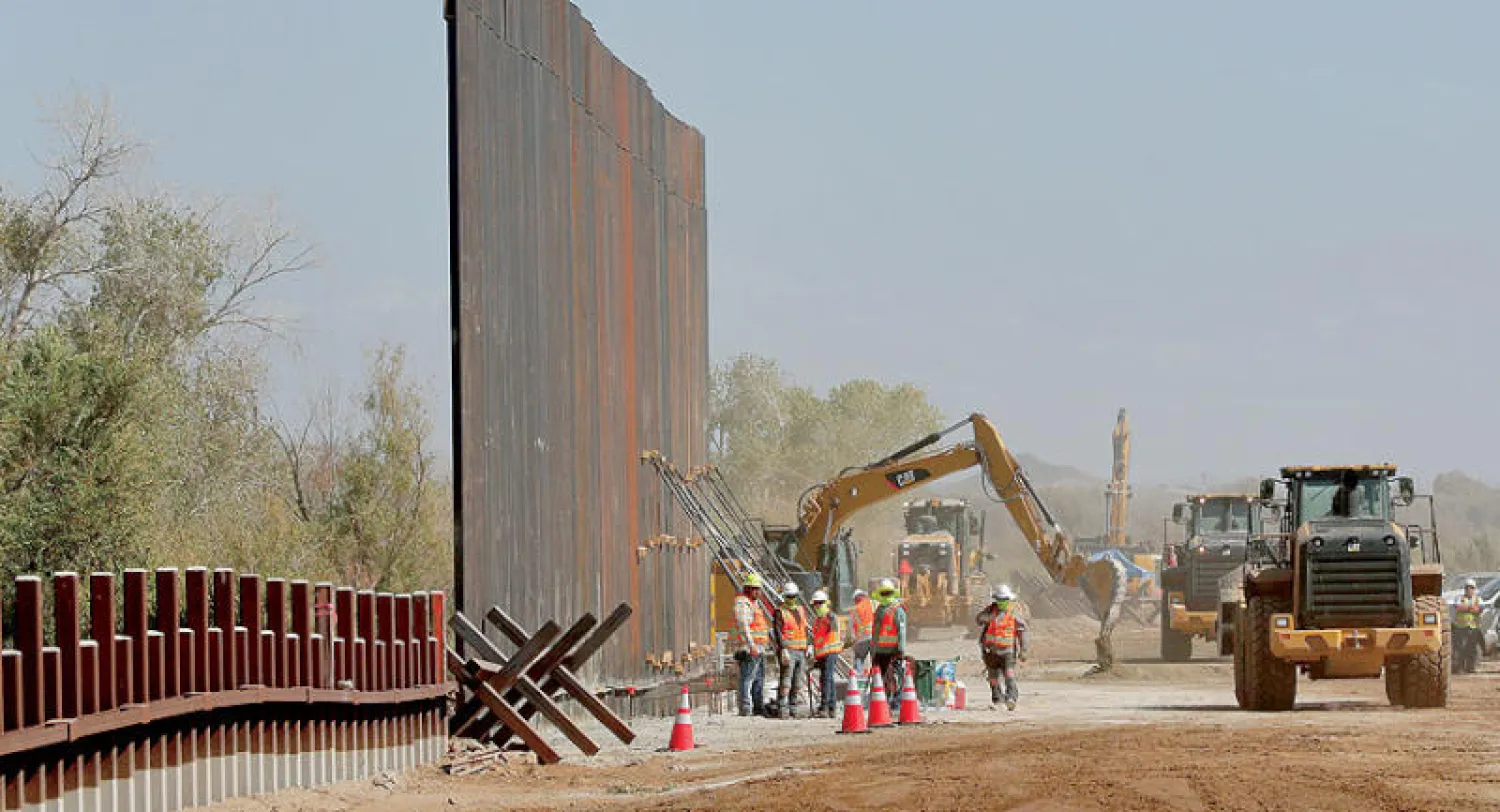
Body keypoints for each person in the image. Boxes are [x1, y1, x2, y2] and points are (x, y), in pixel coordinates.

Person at [975, 584, 1027, 711]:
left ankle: (1011, 698)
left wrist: (1023, 650)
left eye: (1004, 600)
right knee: (993, 678)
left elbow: (1022, 631)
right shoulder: (990, 610)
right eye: (1000, 600)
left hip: (1007, 651)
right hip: (990, 652)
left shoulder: (1014, 612)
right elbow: (978, 619)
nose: (1002, 602)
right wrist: (988, 619)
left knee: (1009, 674)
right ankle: (998, 699)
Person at [731, 573, 771, 716]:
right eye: (756, 589)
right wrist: (751, 644)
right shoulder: (743, 603)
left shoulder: (753, 604)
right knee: (747, 679)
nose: (759, 592)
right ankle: (746, 708)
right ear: (750, 589)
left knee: (758, 679)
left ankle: (757, 707)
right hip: (749, 648)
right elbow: (744, 626)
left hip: (758, 648)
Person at [773, 581, 811, 718]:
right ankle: (783, 707)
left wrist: (809, 645)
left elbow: (804, 628)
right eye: (789, 596)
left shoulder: (800, 610)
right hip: (788, 651)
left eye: (793, 596)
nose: (791, 599)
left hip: (801, 650)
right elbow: (777, 632)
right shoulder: (780, 612)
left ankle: (793, 708)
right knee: (786, 681)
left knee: (797, 682)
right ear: (784, 596)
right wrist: (783, 649)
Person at [870, 578, 908, 695]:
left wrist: (901, 649)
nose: (886, 595)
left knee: (889, 677)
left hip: (891, 651)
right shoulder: (879, 610)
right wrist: (873, 650)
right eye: (884, 593)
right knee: (880, 678)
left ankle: (892, 700)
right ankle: (883, 699)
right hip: (880, 651)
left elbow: (901, 631)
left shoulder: (897, 610)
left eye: (887, 593)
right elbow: (876, 633)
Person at [809, 589, 843, 718]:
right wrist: (814, 652)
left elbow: (831, 632)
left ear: (825, 603)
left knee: (826, 679)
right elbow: (817, 638)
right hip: (822, 654)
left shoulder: (831, 617)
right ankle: (832, 708)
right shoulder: (817, 620)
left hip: (830, 652)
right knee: (828, 679)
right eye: (815, 604)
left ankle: (824, 707)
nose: (817, 606)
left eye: (819, 603)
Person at [1454, 578, 1483, 674]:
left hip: (1473, 627)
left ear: (1474, 589)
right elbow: (1458, 608)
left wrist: (1467, 608)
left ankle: (1471, 667)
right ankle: (1459, 667)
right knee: (1460, 648)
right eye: (1467, 587)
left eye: (1471, 587)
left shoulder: (1478, 599)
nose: (1469, 589)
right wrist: (1471, 608)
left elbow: (1479, 610)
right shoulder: (1460, 598)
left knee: (1472, 649)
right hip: (1461, 627)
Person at [849, 589, 874, 680]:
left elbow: (851, 628)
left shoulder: (855, 609)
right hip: (874, 638)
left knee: (859, 660)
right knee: (875, 662)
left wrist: (852, 641)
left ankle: (858, 680)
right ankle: (875, 680)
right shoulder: (872, 605)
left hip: (861, 640)